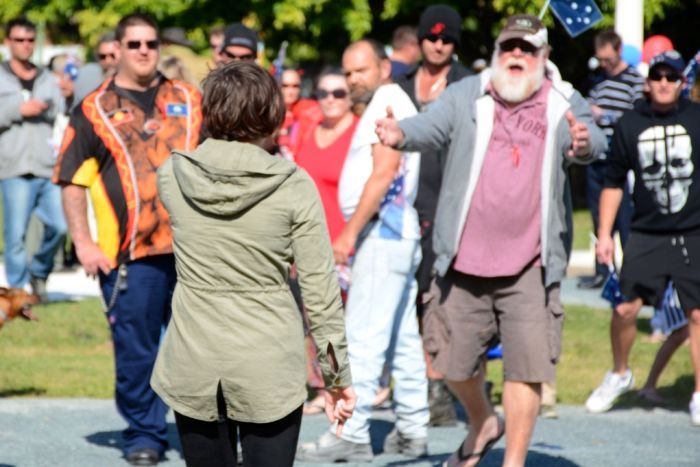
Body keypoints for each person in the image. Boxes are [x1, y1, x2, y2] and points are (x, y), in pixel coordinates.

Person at [376, 14, 604, 466]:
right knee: (448, 364)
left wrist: (583, 145)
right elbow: (431, 125)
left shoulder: (563, 99)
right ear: (498, 52)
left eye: (528, 48)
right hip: (463, 260)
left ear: (545, 56)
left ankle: (512, 461)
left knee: (528, 369)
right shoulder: (467, 94)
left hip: (531, 265)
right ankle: (483, 421)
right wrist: (401, 133)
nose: (517, 56)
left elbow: (591, 138)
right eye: (510, 48)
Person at [150, 61, 355, 467]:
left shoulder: (173, 174)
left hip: (195, 358)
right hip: (268, 361)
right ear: (270, 113)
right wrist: (336, 379)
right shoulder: (293, 185)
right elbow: (321, 294)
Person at [53, 13, 203, 466]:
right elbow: (71, 180)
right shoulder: (94, 108)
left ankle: (207, 436)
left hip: (195, 252)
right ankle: (146, 433)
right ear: (117, 48)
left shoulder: (190, 100)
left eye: (151, 43)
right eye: (134, 43)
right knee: (138, 349)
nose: (143, 51)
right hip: (129, 256)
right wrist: (84, 244)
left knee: (201, 348)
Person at [297, 38, 429, 463]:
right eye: (348, 72)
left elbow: (385, 171)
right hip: (394, 234)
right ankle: (412, 428)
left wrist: (350, 232)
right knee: (403, 339)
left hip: (381, 231)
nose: (353, 80)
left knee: (358, 338)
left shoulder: (387, 101)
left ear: (384, 68)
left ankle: (349, 433)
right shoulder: (388, 101)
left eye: (361, 71)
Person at [586, 50, 700, 427]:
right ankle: (620, 372)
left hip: (692, 231)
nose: (665, 83)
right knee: (624, 309)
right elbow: (613, 182)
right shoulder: (630, 124)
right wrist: (604, 234)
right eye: (658, 76)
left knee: (697, 314)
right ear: (648, 82)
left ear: (682, 82)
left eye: (672, 77)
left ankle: (699, 393)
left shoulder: (696, 118)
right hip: (647, 232)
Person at [395, 3, 470, 427]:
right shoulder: (400, 84)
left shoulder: (467, 85)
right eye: (431, 36)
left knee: (442, 301)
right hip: (403, 202)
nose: (438, 44)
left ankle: (440, 388)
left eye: (446, 38)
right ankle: (413, 386)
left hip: (452, 202)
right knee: (410, 301)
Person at [295, 68, 358, 416]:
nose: (331, 100)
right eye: (323, 93)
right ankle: (322, 385)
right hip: (309, 245)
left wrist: (349, 239)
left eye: (339, 93)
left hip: (346, 245)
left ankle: (343, 386)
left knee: (341, 322)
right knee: (311, 321)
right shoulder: (310, 132)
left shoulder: (359, 134)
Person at [0, 16, 66, 303]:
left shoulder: (47, 78)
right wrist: (17, 109)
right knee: (15, 237)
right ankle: (17, 294)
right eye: (20, 40)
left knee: (61, 226)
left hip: (46, 166)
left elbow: (60, 116)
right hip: (14, 167)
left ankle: (39, 271)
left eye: (30, 40)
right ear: (7, 43)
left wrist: (61, 99)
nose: (26, 45)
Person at [578, 29, 644, 290]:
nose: (603, 64)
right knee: (598, 217)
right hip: (597, 159)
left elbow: (638, 116)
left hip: (622, 160)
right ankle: (603, 271)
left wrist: (606, 115)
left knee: (626, 220)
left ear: (618, 51)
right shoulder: (596, 81)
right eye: (600, 60)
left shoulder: (635, 80)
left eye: (607, 59)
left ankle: (632, 274)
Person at [277, 68, 321, 161]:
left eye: (295, 86)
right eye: (285, 86)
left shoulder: (311, 108)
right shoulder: (269, 113)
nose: (291, 91)